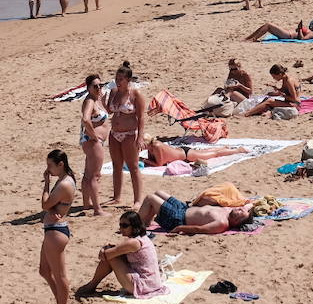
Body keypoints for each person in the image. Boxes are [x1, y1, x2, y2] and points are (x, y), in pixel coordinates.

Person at [73, 211, 167, 299]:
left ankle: (92, 285)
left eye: (125, 226)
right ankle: (92, 285)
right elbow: (118, 250)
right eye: (120, 225)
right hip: (151, 283)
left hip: (144, 286)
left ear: (134, 226)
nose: (121, 229)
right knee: (114, 255)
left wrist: (104, 250)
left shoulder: (133, 242)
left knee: (111, 258)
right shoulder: (142, 238)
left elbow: (105, 255)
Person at [38, 149, 76, 304]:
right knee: (44, 271)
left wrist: (46, 183)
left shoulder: (64, 184)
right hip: (52, 230)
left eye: (50, 165)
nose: (47, 169)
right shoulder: (64, 179)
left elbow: (45, 205)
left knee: (60, 276)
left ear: (60, 164)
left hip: (56, 232)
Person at [108, 62, 146, 206]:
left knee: (133, 166)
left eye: (121, 79)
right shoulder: (113, 93)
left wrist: (140, 137)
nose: (118, 82)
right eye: (116, 79)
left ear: (128, 80)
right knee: (116, 165)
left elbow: (141, 116)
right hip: (114, 133)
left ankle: (137, 199)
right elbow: (109, 111)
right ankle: (116, 197)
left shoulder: (135, 94)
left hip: (129, 134)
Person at [78, 74, 110, 217]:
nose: (98, 88)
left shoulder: (96, 100)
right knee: (95, 176)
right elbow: (85, 119)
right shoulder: (90, 101)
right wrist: (93, 136)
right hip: (93, 142)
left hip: (91, 141)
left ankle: (86, 203)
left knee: (88, 174)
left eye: (100, 85)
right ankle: (98, 209)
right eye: (95, 86)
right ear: (88, 88)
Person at [143, 138, 249, 167]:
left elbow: (159, 163)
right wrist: (147, 160)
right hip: (182, 151)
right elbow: (152, 160)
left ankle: (238, 150)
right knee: (205, 151)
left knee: (214, 155)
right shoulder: (151, 147)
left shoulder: (156, 146)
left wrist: (144, 160)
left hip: (186, 155)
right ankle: (224, 148)